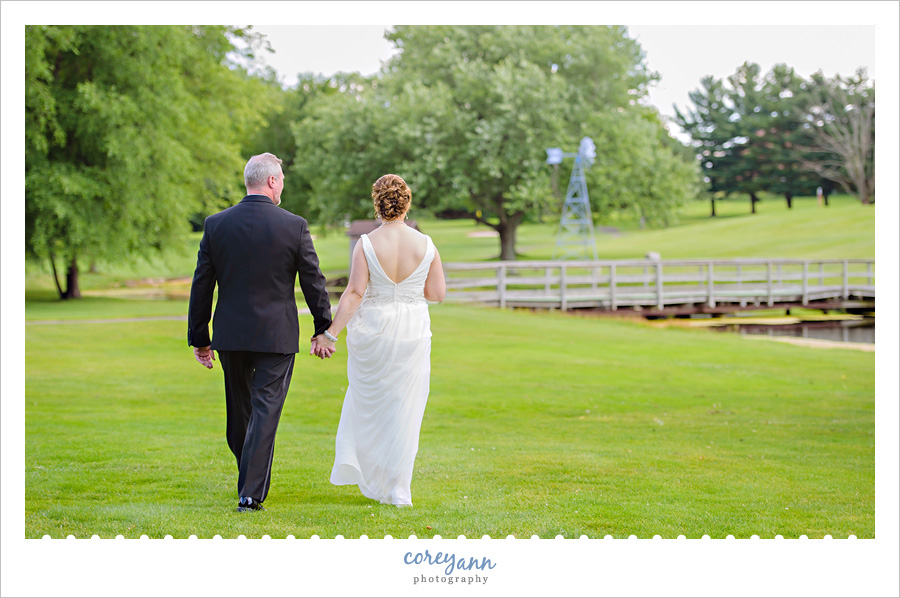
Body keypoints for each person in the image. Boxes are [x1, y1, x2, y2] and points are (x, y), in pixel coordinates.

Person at [187, 152, 335, 513]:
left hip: (232, 336)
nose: (282, 183)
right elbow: (313, 282)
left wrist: (200, 338)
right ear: (271, 181)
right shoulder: (294, 225)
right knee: (263, 411)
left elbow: (201, 285)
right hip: (276, 335)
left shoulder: (216, 224)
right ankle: (250, 492)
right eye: (281, 178)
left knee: (241, 414)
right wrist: (323, 328)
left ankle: (249, 486)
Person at [323, 174, 445, 506]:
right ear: (407, 203)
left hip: (374, 329)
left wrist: (330, 334)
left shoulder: (366, 243)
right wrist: (407, 290)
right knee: (407, 406)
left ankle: (376, 477)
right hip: (412, 328)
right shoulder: (427, 244)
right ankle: (398, 487)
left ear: (377, 203)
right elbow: (437, 293)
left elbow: (355, 293)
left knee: (373, 404)